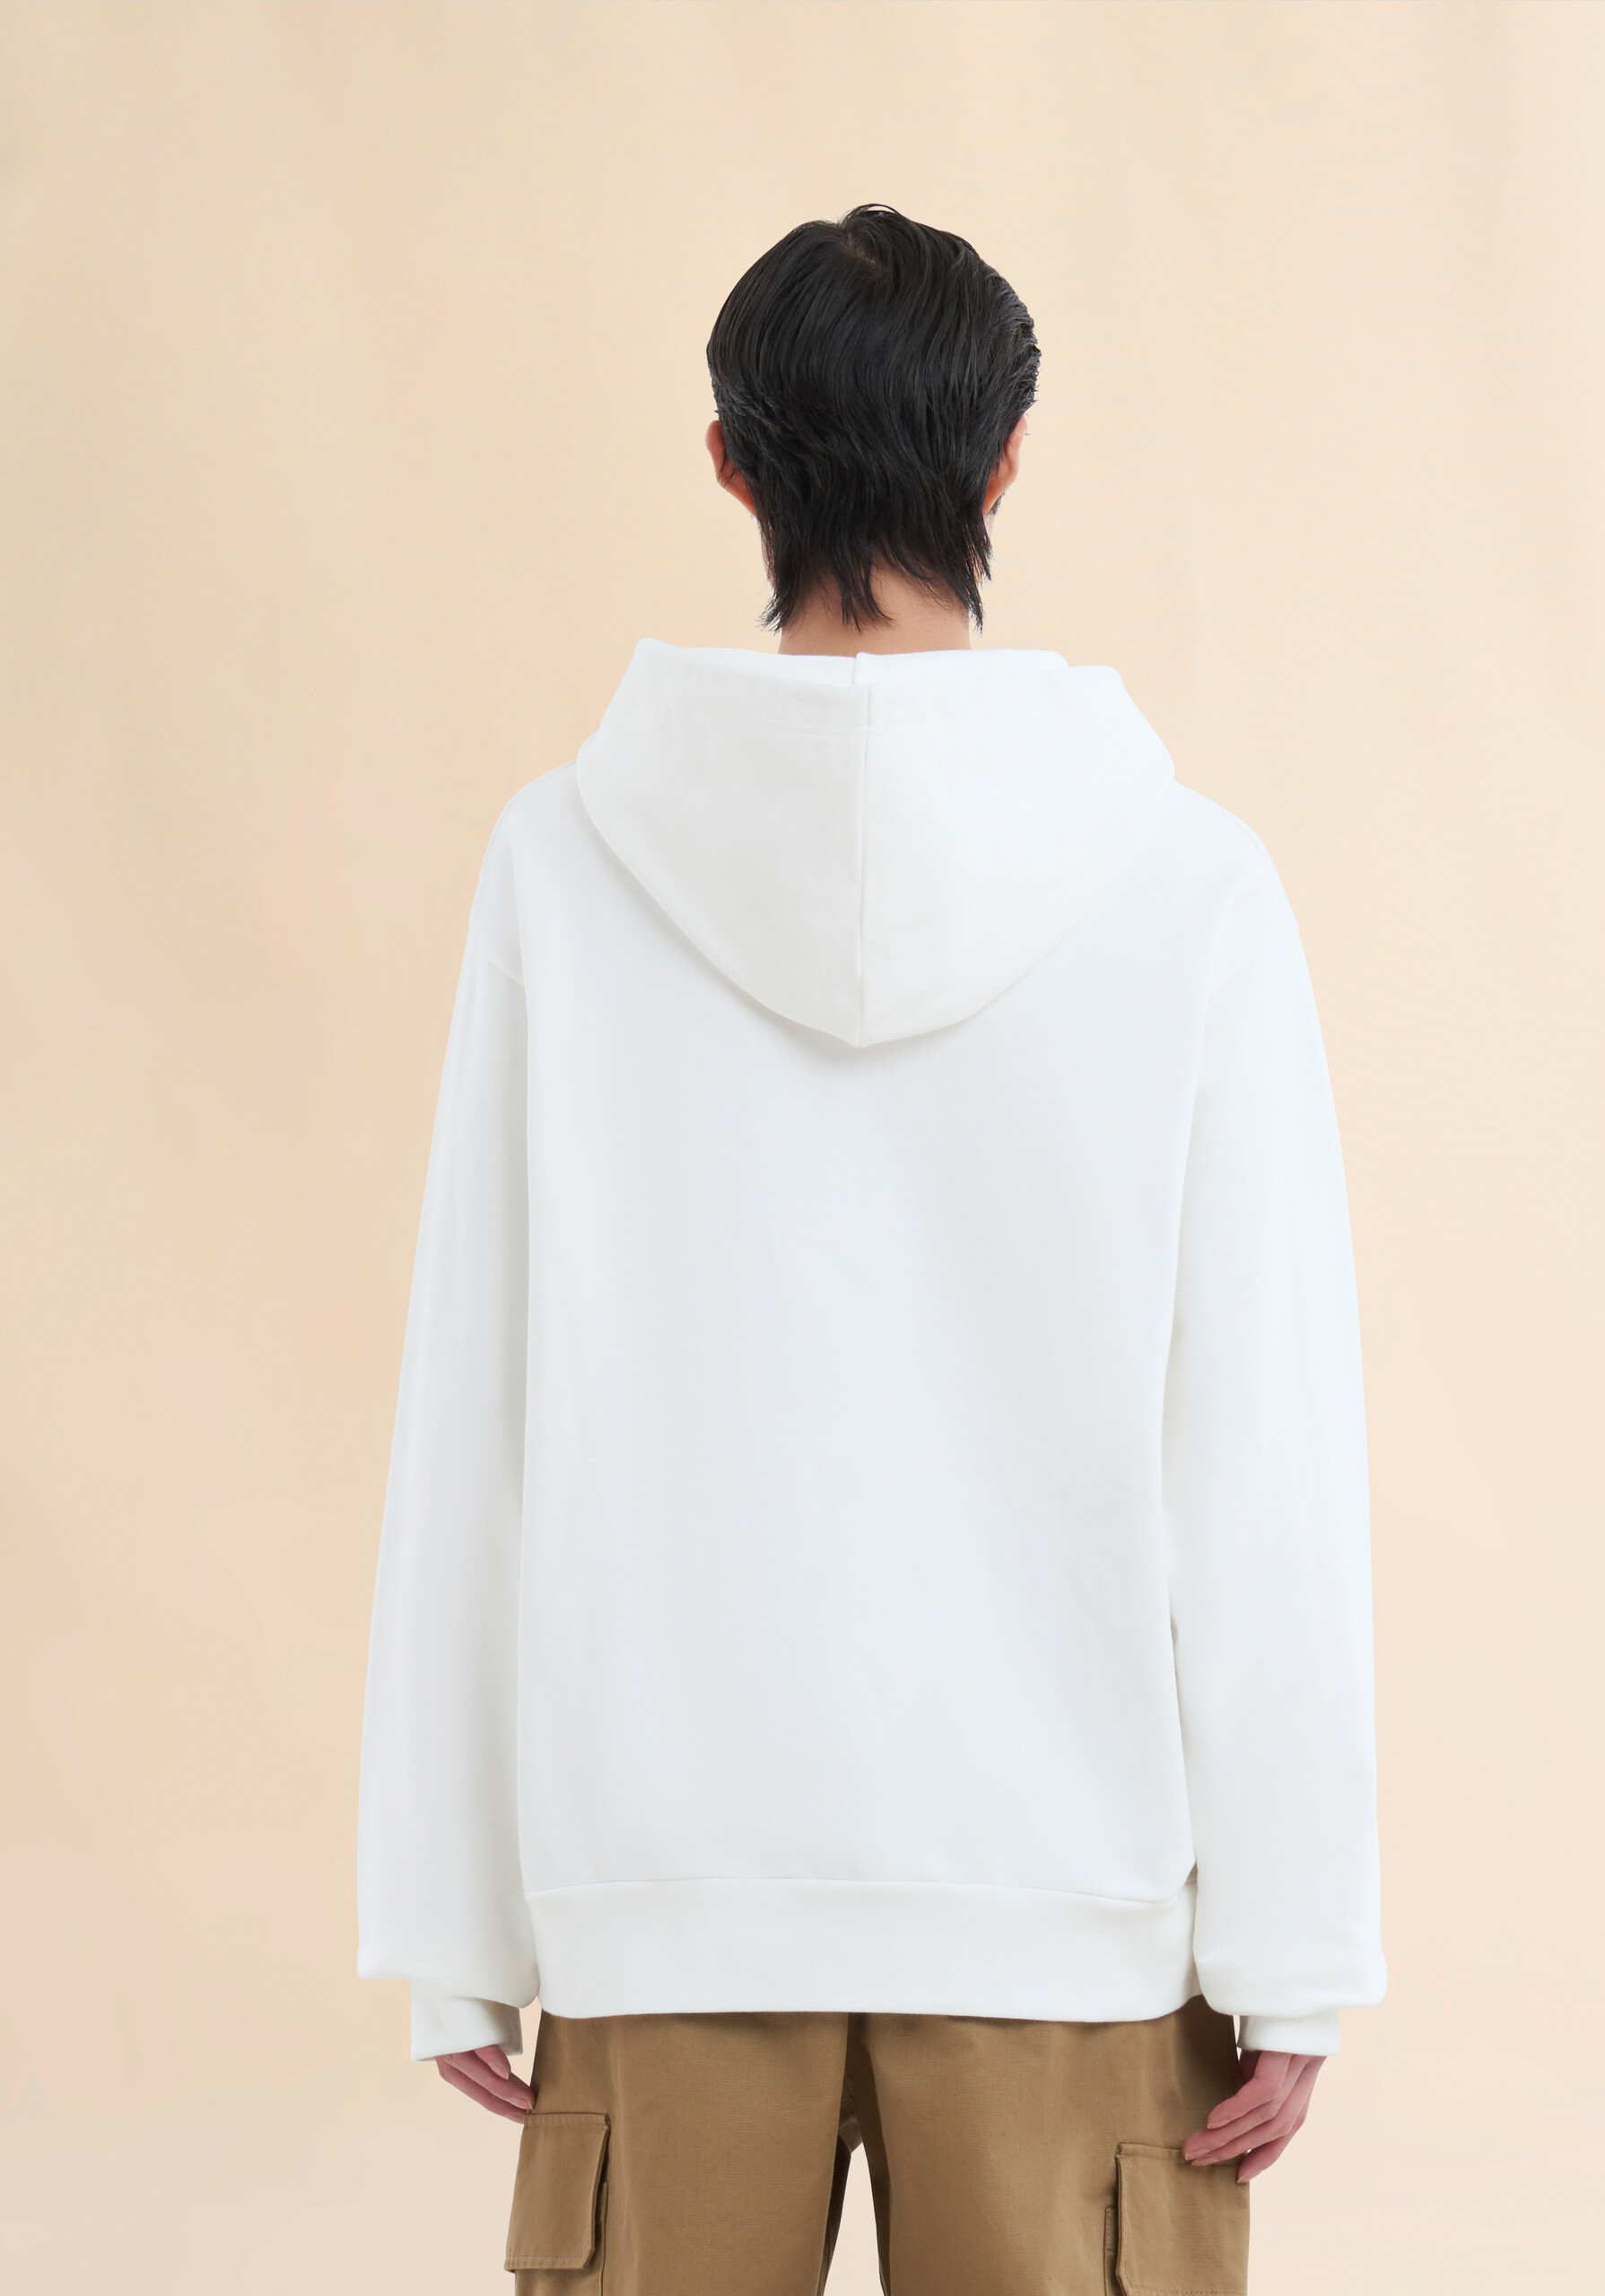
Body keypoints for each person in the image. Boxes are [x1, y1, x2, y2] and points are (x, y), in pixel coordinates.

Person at [356, 204, 1385, 2295]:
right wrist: (1297, 1937)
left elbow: (479, 1396)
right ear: (1006, 462)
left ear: (731, 464)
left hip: (662, 1890)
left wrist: (452, 1914)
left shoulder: (563, 864)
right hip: (1067, 1900)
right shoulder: (1189, 886)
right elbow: (1258, 1446)